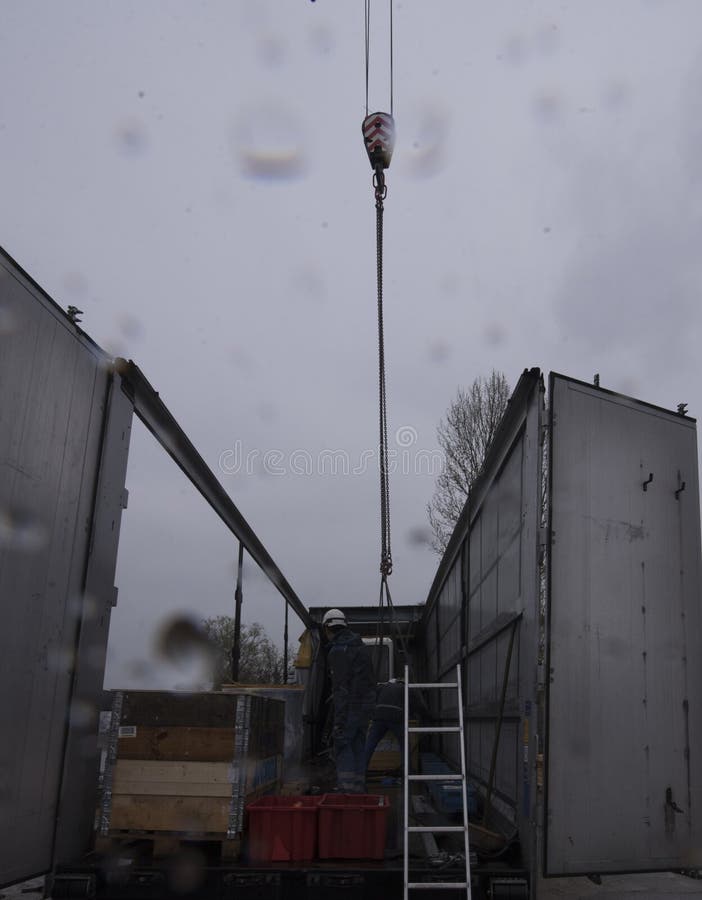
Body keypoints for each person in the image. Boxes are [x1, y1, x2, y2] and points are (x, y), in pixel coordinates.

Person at [323, 608, 375, 793]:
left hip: (349, 707)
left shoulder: (338, 651)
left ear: (328, 628)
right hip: (365, 707)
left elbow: (342, 689)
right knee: (358, 744)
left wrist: (339, 721)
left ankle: (346, 791)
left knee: (343, 743)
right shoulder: (361, 647)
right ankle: (358, 788)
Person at [364, 678, 432, 773]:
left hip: (379, 716)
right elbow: (416, 704)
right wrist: (426, 716)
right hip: (396, 717)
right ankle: (408, 770)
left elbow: (371, 699)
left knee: (370, 744)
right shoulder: (405, 688)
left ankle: (361, 769)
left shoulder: (382, 687)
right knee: (404, 743)